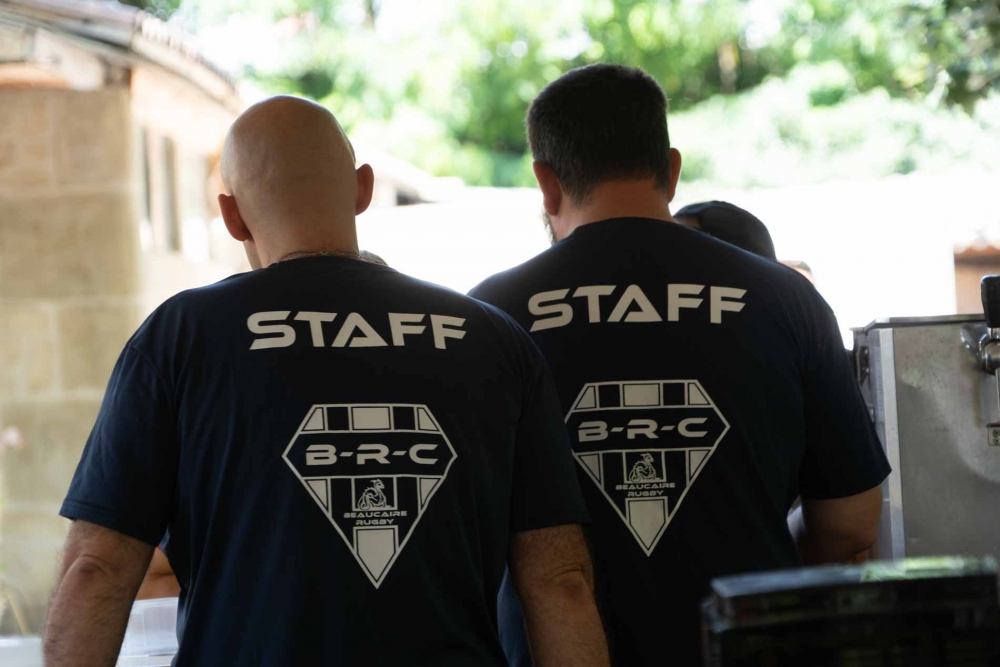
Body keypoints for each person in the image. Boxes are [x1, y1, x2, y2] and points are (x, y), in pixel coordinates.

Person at [45, 96, 609, 667]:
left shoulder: (180, 337)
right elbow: (559, 580)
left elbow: (97, 570)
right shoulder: (493, 339)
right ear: (362, 190)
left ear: (232, 215)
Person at [469, 64, 890, 667]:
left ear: (546, 182)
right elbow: (851, 526)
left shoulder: (491, 315)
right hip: (747, 644)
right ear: (670, 170)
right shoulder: (786, 299)